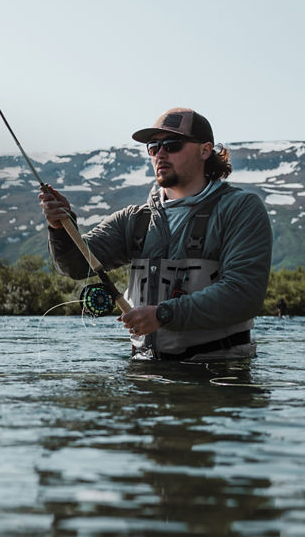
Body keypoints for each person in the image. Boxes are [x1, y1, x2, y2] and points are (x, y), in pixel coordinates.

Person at [39, 107, 273, 361]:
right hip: (144, 375)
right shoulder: (134, 220)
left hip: (219, 378)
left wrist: (164, 314)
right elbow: (74, 266)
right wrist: (60, 227)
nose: (160, 154)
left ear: (205, 150)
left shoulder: (241, 209)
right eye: (153, 147)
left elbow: (244, 294)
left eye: (172, 145)